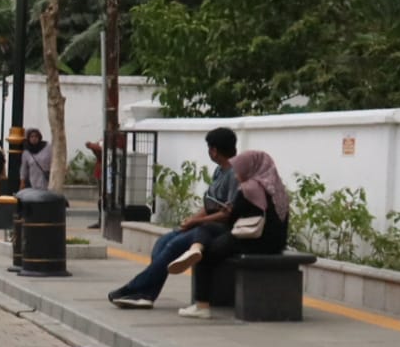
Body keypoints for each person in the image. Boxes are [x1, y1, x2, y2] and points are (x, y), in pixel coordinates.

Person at [107, 128, 238, 311]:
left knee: (173, 246)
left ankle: (133, 289)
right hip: (204, 224)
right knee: (162, 242)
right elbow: (209, 205)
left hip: (217, 230)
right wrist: (190, 220)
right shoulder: (219, 171)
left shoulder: (234, 174)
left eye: (209, 148)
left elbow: (228, 213)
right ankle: (147, 295)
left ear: (214, 150)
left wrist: (195, 223)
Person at [168, 149, 291, 318]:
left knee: (206, 254)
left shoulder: (249, 188)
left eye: (239, 169)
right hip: (275, 242)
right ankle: (195, 248)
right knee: (207, 228)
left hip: (252, 241)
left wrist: (225, 211)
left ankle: (201, 305)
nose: (236, 174)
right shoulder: (276, 188)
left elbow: (231, 221)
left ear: (249, 168)